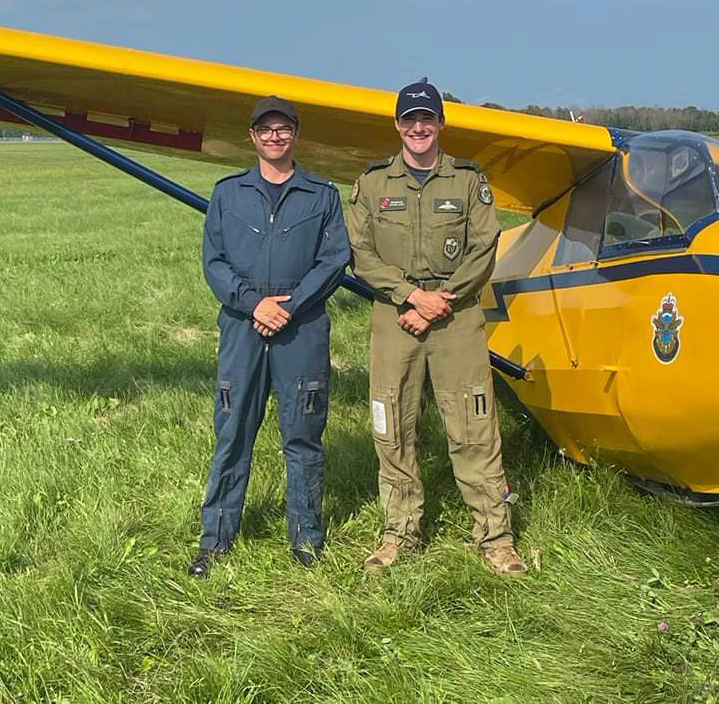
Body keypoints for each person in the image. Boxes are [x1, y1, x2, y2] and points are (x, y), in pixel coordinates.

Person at [348, 79, 527, 577]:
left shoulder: (468, 181)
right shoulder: (373, 183)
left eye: (428, 119)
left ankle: (495, 537)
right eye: (410, 119)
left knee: (473, 422)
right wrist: (410, 297)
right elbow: (360, 252)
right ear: (397, 126)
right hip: (395, 314)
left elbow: (483, 247)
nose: (419, 127)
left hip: (457, 312)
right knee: (393, 423)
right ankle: (399, 533)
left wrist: (435, 302)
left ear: (441, 124)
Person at [189, 95, 350, 576]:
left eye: (283, 129)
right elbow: (214, 262)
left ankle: (306, 540)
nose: (274, 137)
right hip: (242, 324)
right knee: (232, 434)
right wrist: (251, 303)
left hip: (300, 326)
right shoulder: (228, 193)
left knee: (302, 437)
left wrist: (289, 305)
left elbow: (334, 259)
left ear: (295, 135)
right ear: (252, 136)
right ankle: (214, 541)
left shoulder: (321, 194)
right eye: (265, 130)